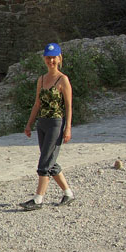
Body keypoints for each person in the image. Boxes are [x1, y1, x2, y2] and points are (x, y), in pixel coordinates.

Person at [19, 42, 75, 210]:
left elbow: (69, 105)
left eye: (54, 57)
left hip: (56, 124)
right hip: (42, 123)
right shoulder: (41, 79)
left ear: (59, 58)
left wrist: (68, 128)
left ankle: (38, 199)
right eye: (48, 57)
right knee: (50, 159)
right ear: (44, 59)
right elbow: (37, 103)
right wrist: (29, 124)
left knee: (44, 162)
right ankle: (68, 193)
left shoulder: (63, 80)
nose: (51, 61)